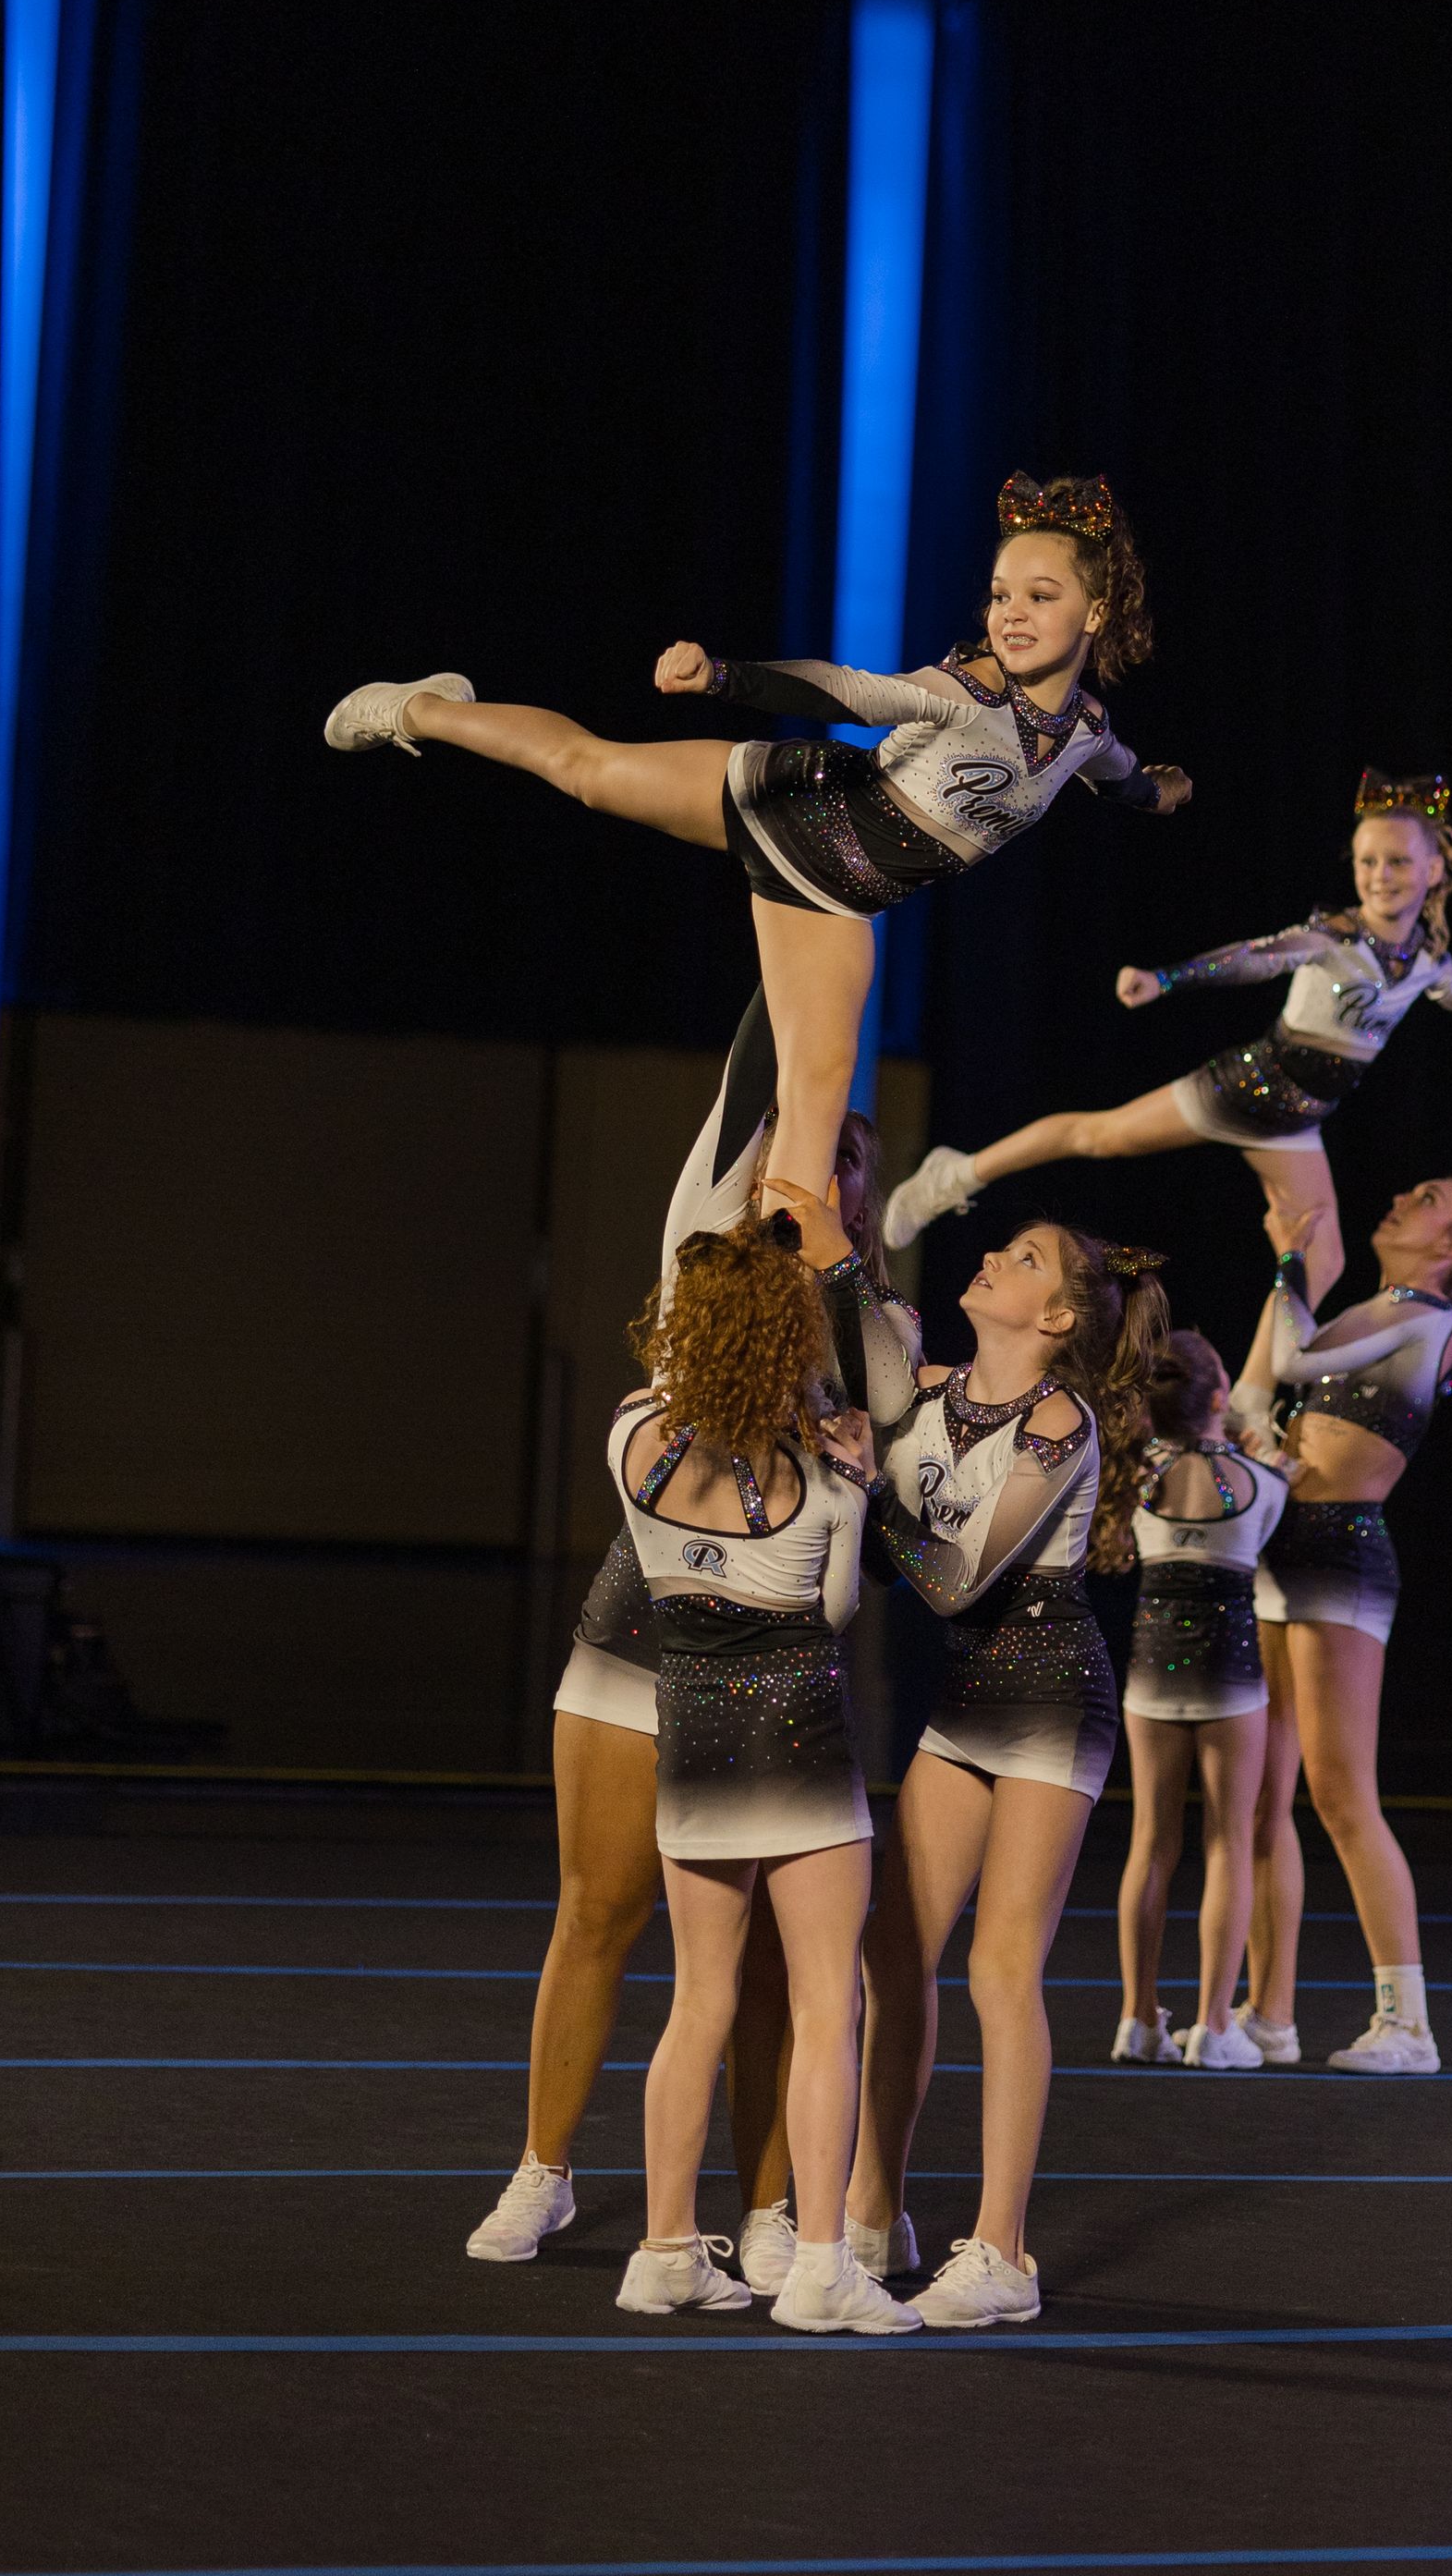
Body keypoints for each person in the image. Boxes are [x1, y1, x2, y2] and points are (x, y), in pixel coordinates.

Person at [323, 471, 1189, 1214]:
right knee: (588, 771)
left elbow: (1122, 775)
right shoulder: (966, 689)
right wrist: (726, 678)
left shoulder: (1085, 730)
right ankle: (422, 708)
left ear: (1098, 610)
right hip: (795, 805)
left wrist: (1162, 793)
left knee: (815, 1101)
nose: (1013, 614)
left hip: (845, 896)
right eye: (1002, 594)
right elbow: (847, 692)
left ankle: (756, 1310)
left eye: (1042, 596)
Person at [464, 998, 910, 2289]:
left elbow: (887, 1491)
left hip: (778, 1663)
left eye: (829, 1161)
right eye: (782, 1149)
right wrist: (823, 881)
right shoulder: (698, 1252)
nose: (795, 1170)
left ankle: (772, 2208)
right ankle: (543, 2171)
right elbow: (764, 1050)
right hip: (641, 1633)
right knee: (599, 1906)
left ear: (854, 1196)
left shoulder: (874, 1323)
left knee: (778, 1952)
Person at [821, 1215, 1168, 2328]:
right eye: (1002, 1248)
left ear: (1058, 1317)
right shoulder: (925, 1390)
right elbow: (849, 1339)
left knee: (1002, 1970)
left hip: (1051, 1694)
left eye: (1024, 1261)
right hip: (967, 1697)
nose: (993, 1260)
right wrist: (835, 1246)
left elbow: (960, 1579)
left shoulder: (1059, 1419)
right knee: (893, 1951)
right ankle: (874, 2212)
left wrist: (871, 1489)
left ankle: (1003, 2253)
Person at [883, 773, 1452, 1312]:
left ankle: (1263, 1392)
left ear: (1433, 871)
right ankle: (954, 1173)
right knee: (1097, 1136)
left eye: (1397, 861)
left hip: (1297, 1121)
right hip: (1246, 1091)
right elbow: (1252, 958)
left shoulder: (1427, 959)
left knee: (1327, 1257)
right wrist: (1166, 980)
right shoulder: (1336, 936)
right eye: (1368, 861)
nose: (1379, 874)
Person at [608, 1215, 918, 2334]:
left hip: (690, 1735)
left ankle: (662, 2252)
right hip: (797, 1739)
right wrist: (858, 1484)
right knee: (828, 2002)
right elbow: (835, 1611)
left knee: (698, 2002)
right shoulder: (822, 1477)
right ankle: (823, 2268)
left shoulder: (631, 1435)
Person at [1235, 1183, 1452, 2073]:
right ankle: (1270, 2014)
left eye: (1423, 1201)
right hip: (1279, 1549)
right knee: (1265, 1796)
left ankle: (1408, 2024)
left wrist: (1291, 1264)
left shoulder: (1425, 1318)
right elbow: (1260, 1390)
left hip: (1342, 1557)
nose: (1397, 1199)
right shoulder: (1374, 1307)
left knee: (1342, 1796)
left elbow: (1293, 1361)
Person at [1112, 1329, 1292, 2070]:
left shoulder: (1133, 1475)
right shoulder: (1266, 1481)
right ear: (1219, 1398)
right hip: (1230, 1673)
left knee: (1151, 1840)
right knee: (1228, 1841)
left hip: (1153, 1667)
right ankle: (1214, 2026)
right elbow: (1268, 1525)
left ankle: (1136, 2019)